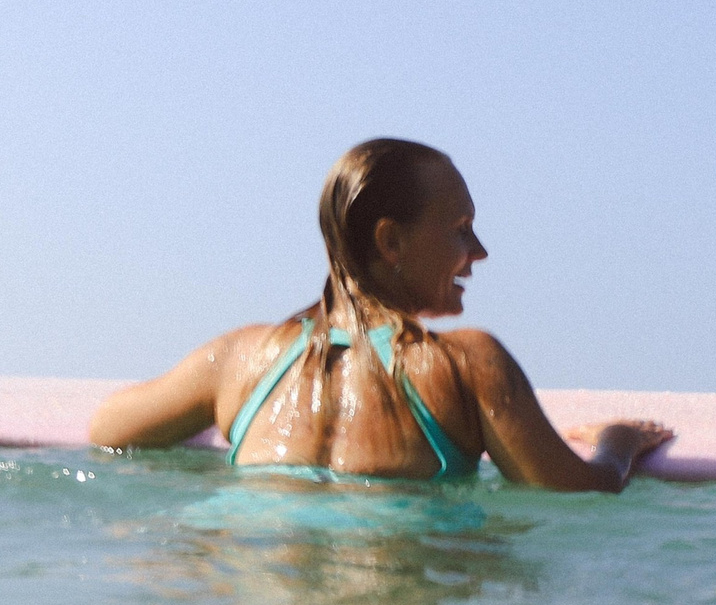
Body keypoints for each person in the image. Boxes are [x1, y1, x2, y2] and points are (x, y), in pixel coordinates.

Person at [88, 138, 671, 491]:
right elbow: (578, 495)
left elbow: (110, 432)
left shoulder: (240, 360)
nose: (480, 251)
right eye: (461, 230)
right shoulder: (469, 365)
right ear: (391, 243)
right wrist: (618, 445)